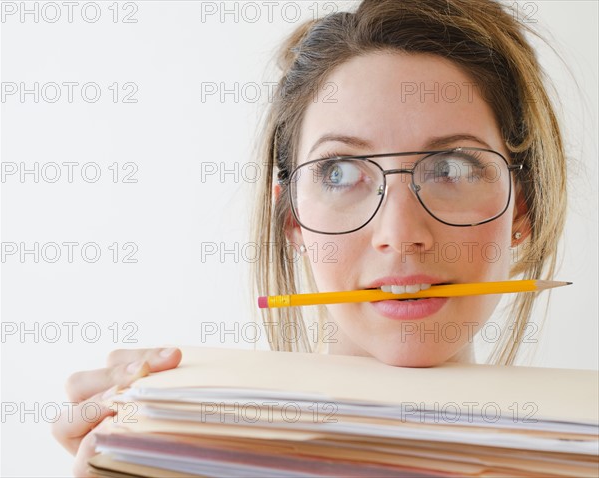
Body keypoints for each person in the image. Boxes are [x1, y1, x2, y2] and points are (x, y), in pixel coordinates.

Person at [52, 0, 567, 475]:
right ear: (292, 218)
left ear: (522, 206)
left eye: (451, 168)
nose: (400, 235)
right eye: (340, 172)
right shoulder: (189, 442)